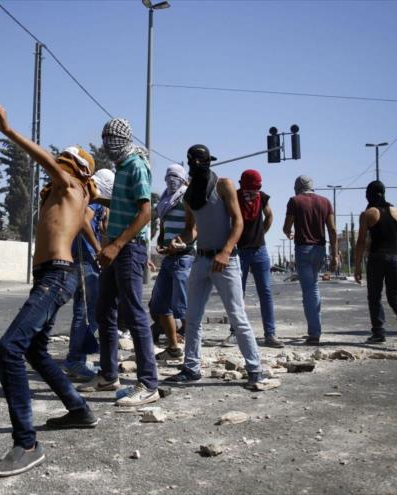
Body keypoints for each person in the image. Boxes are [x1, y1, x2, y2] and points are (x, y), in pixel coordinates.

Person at [0, 99, 100, 477]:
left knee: (9, 347)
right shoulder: (68, 195)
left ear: (73, 168)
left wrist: (8, 131)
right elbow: (84, 222)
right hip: (53, 274)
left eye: (62, 163)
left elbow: (49, 163)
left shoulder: (70, 184)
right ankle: (79, 409)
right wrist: (99, 250)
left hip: (57, 275)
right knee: (34, 349)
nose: (56, 168)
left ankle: (26, 443)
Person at [165, 145, 268, 390]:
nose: (200, 165)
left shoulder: (223, 185)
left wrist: (225, 251)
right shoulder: (189, 195)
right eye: (196, 161)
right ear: (190, 163)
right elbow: (192, 229)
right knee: (192, 317)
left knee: (237, 316)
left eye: (203, 161)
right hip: (201, 259)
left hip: (226, 261)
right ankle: (191, 368)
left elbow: (238, 222)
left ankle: (255, 370)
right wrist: (178, 242)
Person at [77, 118, 160, 408]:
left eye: (110, 137)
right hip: (116, 247)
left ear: (122, 138)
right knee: (104, 310)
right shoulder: (121, 168)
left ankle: (149, 384)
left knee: (134, 313)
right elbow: (124, 204)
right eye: (103, 137)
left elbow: (146, 211)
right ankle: (109, 374)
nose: (106, 143)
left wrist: (117, 244)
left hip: (129, 248)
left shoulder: (136, 166)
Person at [353, 181, 397, 345]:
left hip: (377, 258)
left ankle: (378, 333)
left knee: (374, 297)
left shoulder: (368, 214)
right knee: (395, 297)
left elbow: (361, 242)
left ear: (369, 195)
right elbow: (396, 237)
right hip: (396, 259)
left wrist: (357, 266)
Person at [282, 175, 339, 345]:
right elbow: (333, 230)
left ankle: (314, 332)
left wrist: (288, 232)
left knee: (309, 291)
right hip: (320, 250)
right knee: (313, 288)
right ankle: (316, 327)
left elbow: (286, 226)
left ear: (297, 187)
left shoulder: (294, 201)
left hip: (303, 249)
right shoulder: (325, 202)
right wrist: (335, 254)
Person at [63, 178, 109, 381]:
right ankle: (75, 359)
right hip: (85, 259)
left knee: (83, 310)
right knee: (89, 312)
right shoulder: (94, 199)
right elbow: (83, 220)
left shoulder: (83, 196)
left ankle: (77, 358)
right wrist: (98, 248)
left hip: (76, 257)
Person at [149, 164, 194, 359]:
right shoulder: (165, 199)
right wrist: (161, 241)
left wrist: (181, 242)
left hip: (184, 257)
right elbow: (163, 227)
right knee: (159, 306)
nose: (171, 179)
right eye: (168, 176)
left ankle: (193, 353)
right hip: (168, 257)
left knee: (183, 308)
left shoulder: (187, 197)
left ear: (183, 178)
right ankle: (174, 348)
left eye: (175, 176)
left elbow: (194, 227)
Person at [235, 169, 283, 349]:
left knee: (265, 293)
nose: (251, 192)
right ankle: (235, 333)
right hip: (239, 251)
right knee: (237, 294)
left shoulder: (261, 197)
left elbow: (269, 215)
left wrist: (261, 233)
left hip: (259, 250)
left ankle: (270, 335)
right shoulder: (234, 197)